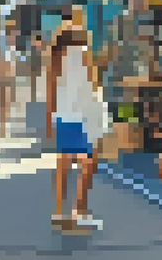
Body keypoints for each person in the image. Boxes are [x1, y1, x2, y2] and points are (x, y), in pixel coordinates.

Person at [47, 21, 109, 231]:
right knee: (88, 164)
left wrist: (50, 120)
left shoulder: (55, 58)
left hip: (63, 117)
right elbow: (93, 86)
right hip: (83, 117)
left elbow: (50, 93)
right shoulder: (84, 53)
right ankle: (79, 211)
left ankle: (59, 212)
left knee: (63, 164)